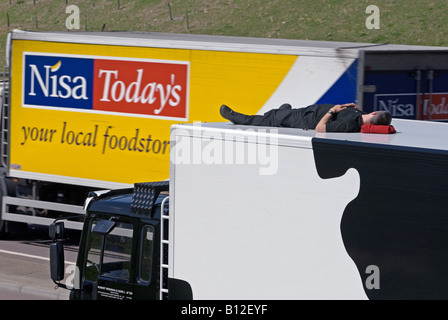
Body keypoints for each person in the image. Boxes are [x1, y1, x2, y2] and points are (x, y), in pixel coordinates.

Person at [220, 103, 392, 133]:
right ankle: (282, 112)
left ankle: (239, 118)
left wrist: (332, 111)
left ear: (374, 114)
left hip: (307, 121)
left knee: (272, 117)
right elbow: (362, 116)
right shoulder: (359, 116)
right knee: (284, 111)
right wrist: (353, 107)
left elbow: (320, 128)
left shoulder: (350, 125)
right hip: (309, 111)